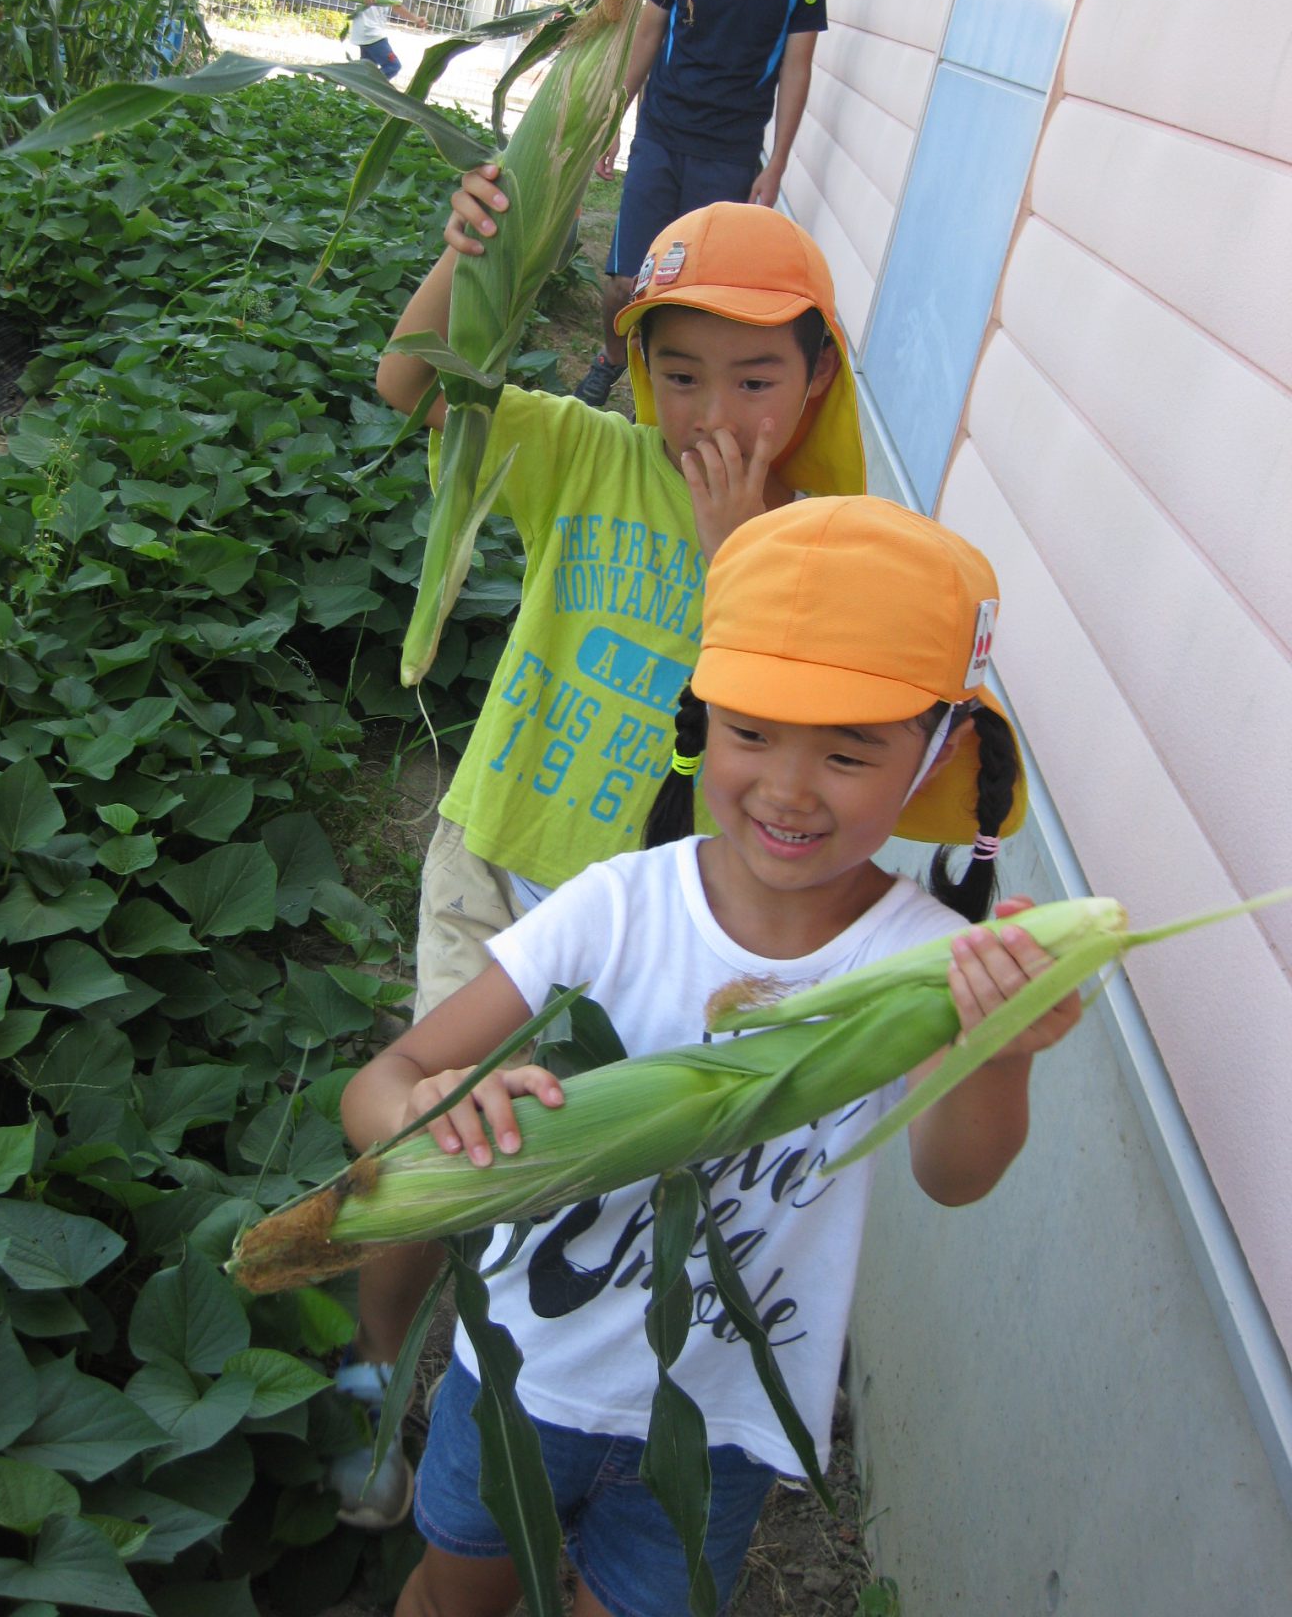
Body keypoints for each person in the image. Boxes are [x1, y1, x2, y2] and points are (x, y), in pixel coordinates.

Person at [341, 494, 1082, 1617]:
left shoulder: (924, 962)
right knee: (456, 1597)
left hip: (717, 1422)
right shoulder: (615, 909)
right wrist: (429, 1109)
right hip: (523, 1377)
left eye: (847, 751)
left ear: (937, 753)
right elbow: (378, 1087)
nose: (786, 788)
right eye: (750, 733)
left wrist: (1000, 1054)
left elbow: (955, 1176)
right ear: (699, 720)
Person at [338, 195, 865, 1527]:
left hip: (642, 928)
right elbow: (412, 387)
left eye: (754, 379)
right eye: (678, 374)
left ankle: (550, 1415)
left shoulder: (818, 551)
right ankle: (375, 1370)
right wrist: (467, 253)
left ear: (815, 382)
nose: (711, 413)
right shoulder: (582, 454)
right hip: (500, 860)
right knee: (426, 1156)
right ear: (636, 370)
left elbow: (799, 743)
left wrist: (736, 559)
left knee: (556, 1176)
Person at [550, 0, 829, 407]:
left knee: (692, 287)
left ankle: (668, 393)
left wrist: (776, 164)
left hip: (730, 153)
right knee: (624, 282)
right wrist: (613, 120)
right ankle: (611, 361)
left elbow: (797, 68)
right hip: (660, 136)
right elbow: (647, 36)